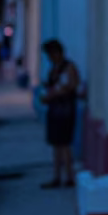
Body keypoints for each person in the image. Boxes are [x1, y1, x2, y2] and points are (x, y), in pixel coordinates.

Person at [40, 39, 79, 189]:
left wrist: (53, 94)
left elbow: (71, 86)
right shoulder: (54, 69)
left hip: (65, 109)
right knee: (56, 144)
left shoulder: (69, 67)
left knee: (65, 144)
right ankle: (57, 176)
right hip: (55, 109)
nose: (49, 58)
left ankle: (69, 176)